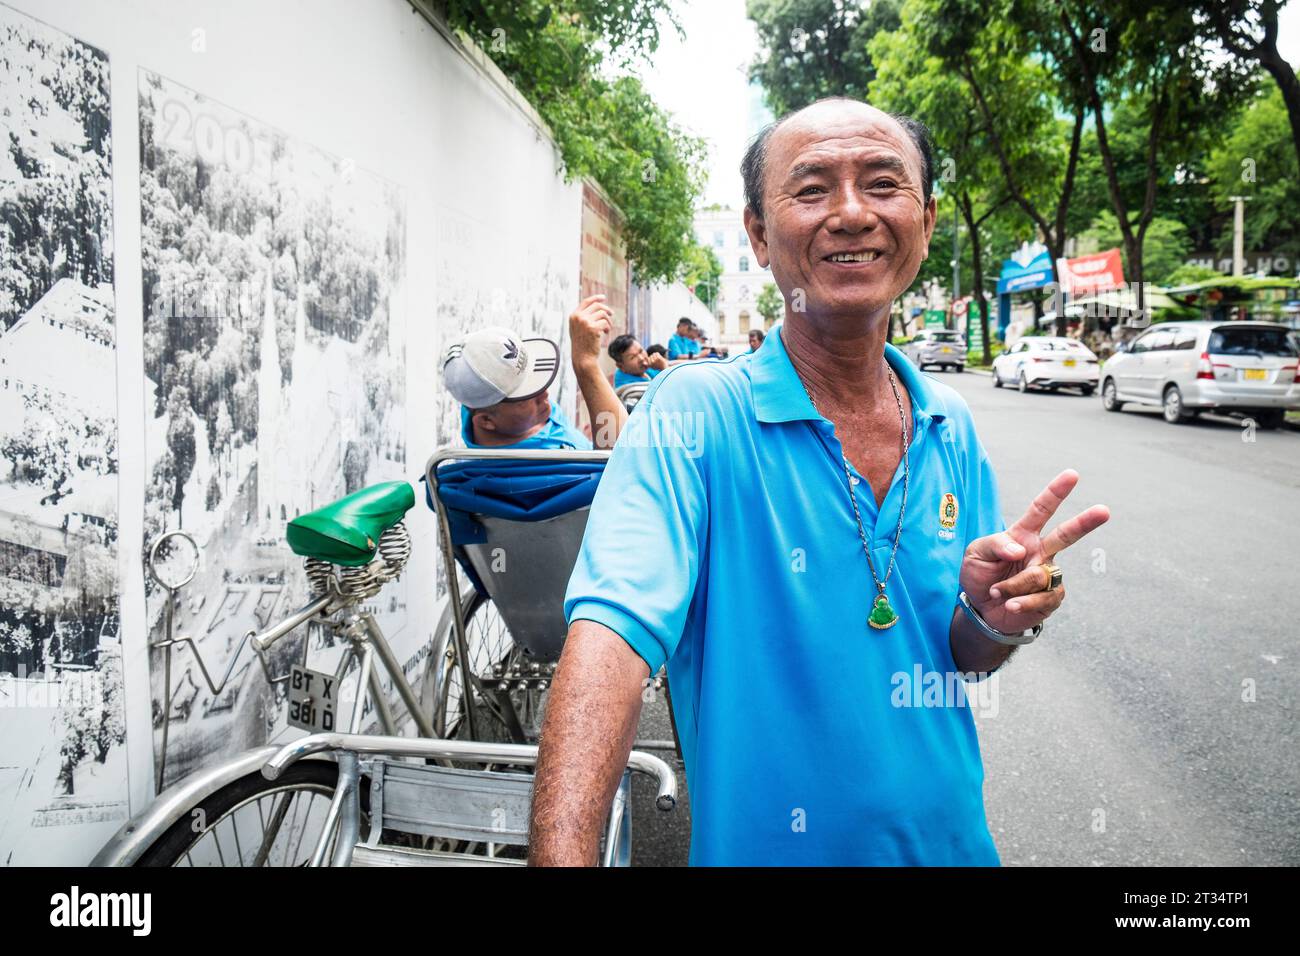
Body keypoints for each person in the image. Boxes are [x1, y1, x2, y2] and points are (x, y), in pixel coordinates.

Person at [528, 97, 1111, 866]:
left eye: (881, 182)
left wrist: (995, 616)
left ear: (927, 222)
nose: (850, 213)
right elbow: (610, 638)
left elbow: (962, 655)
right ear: (759, 236)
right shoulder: (696, 413)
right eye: (810, 190)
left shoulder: (950, 424)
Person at [442, 294, 627, 450]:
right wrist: (587, 365)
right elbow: (627, 463)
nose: (544, 394)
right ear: (485, 421)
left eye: (534, 380)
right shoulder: (540, 477)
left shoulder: (517, 417)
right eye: (526, 393)